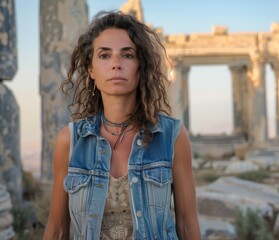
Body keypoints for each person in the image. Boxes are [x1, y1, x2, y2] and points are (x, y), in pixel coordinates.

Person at [43, 11, 200, 240]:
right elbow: (57, 229)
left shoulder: (172, 136)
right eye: (104, 56)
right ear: (91, 70)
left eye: (127, 55)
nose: (116, 64)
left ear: (141, 66)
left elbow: (186, 224)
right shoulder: (69, 140)